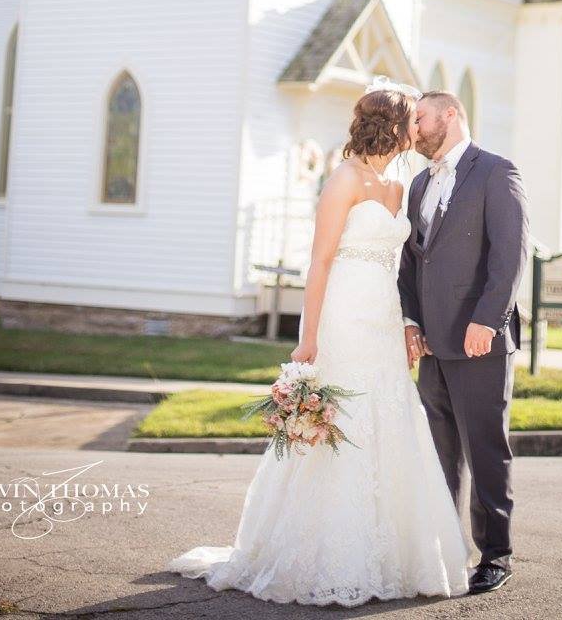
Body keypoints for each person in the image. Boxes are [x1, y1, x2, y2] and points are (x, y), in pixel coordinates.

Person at [167, 86, 469, 606]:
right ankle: (328, 552)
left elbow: (399, 266)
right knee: (344, 420)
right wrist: (308, 338)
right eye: (412, 122)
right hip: (344, 316)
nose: (420, 129)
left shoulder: (397, 182)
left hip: (383, 315)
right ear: (394, 127)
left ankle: (395, 553)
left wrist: (404, 323)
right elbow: (322, 261)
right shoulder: (344, 179)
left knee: (390, 417)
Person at [399, 91, 530, 595]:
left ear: (450, 115)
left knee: (485, 450)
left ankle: (497, 553)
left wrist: (487, 321)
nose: (413, 130)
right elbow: (412, 261)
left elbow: (510, 256)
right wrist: (412, 322)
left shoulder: (496, 172)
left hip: (480, 341)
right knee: (440, 453)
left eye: (421, 119)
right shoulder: (417, 184)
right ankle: (446, 549)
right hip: (433, 345)